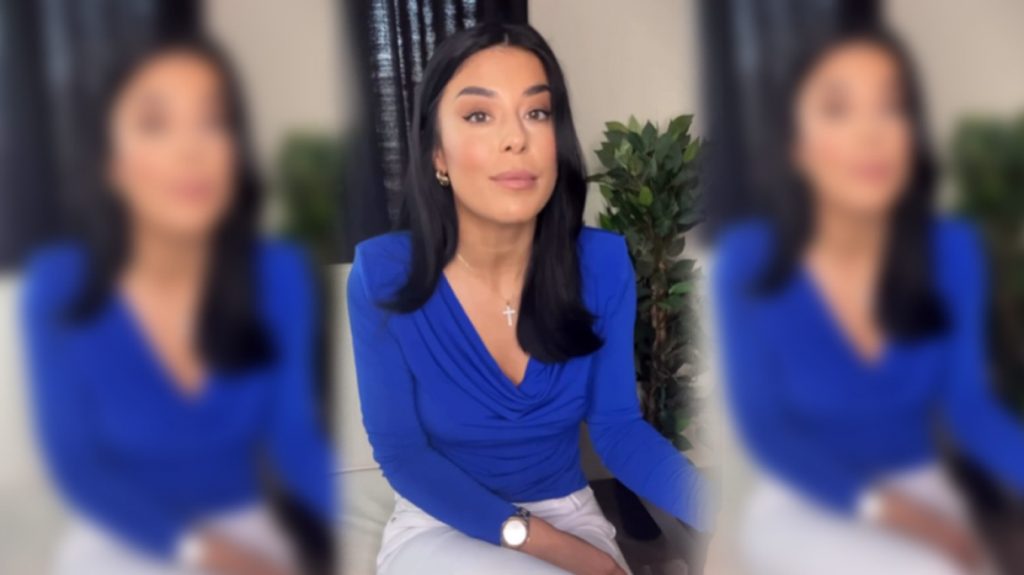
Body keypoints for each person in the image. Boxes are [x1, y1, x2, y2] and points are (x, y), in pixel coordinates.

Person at [346, 22, 710, 575]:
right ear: (438, 154)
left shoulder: (602, 264)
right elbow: (403, 454)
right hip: (441, 520)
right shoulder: (383, 275)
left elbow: (618, 431)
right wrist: (567, 554)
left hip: (570, 511)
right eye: (479, 115)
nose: (516, 138)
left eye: (536, 112)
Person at [712, 27, 1024, 575]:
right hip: (805, 495)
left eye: (892, 107)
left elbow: (970, 408)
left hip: (922, 486)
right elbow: (768, 432)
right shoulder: (748, 260)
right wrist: (895, 514)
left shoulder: (952, 251)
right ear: (796, 147)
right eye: (838, 109)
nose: (872, 133)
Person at [20, 37, 334, 575]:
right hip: (123, 535)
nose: (192, 149)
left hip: (247, 526)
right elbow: (78, 467)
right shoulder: (58, 284)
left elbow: (296, 441)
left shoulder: (279, 274)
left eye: (213, 122)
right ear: (112, 164)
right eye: (155, 124)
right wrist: (203, 552)